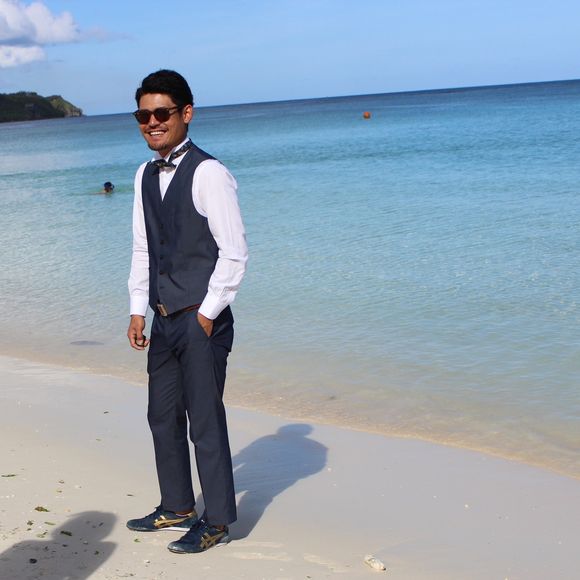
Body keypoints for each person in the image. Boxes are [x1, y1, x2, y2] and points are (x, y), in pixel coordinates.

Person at [126, 69, 248, 554]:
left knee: (204, 421)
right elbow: (143, 247)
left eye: (162, 113)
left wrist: (208, 313)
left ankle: (217, 520)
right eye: (143, 115)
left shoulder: (210, 173)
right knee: (161, 415)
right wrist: (138, 308)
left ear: (186, 113)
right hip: (162, 317)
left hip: (201, 317)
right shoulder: (143, 174)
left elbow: (234, 252)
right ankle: (177, 506)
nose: (152, 122)